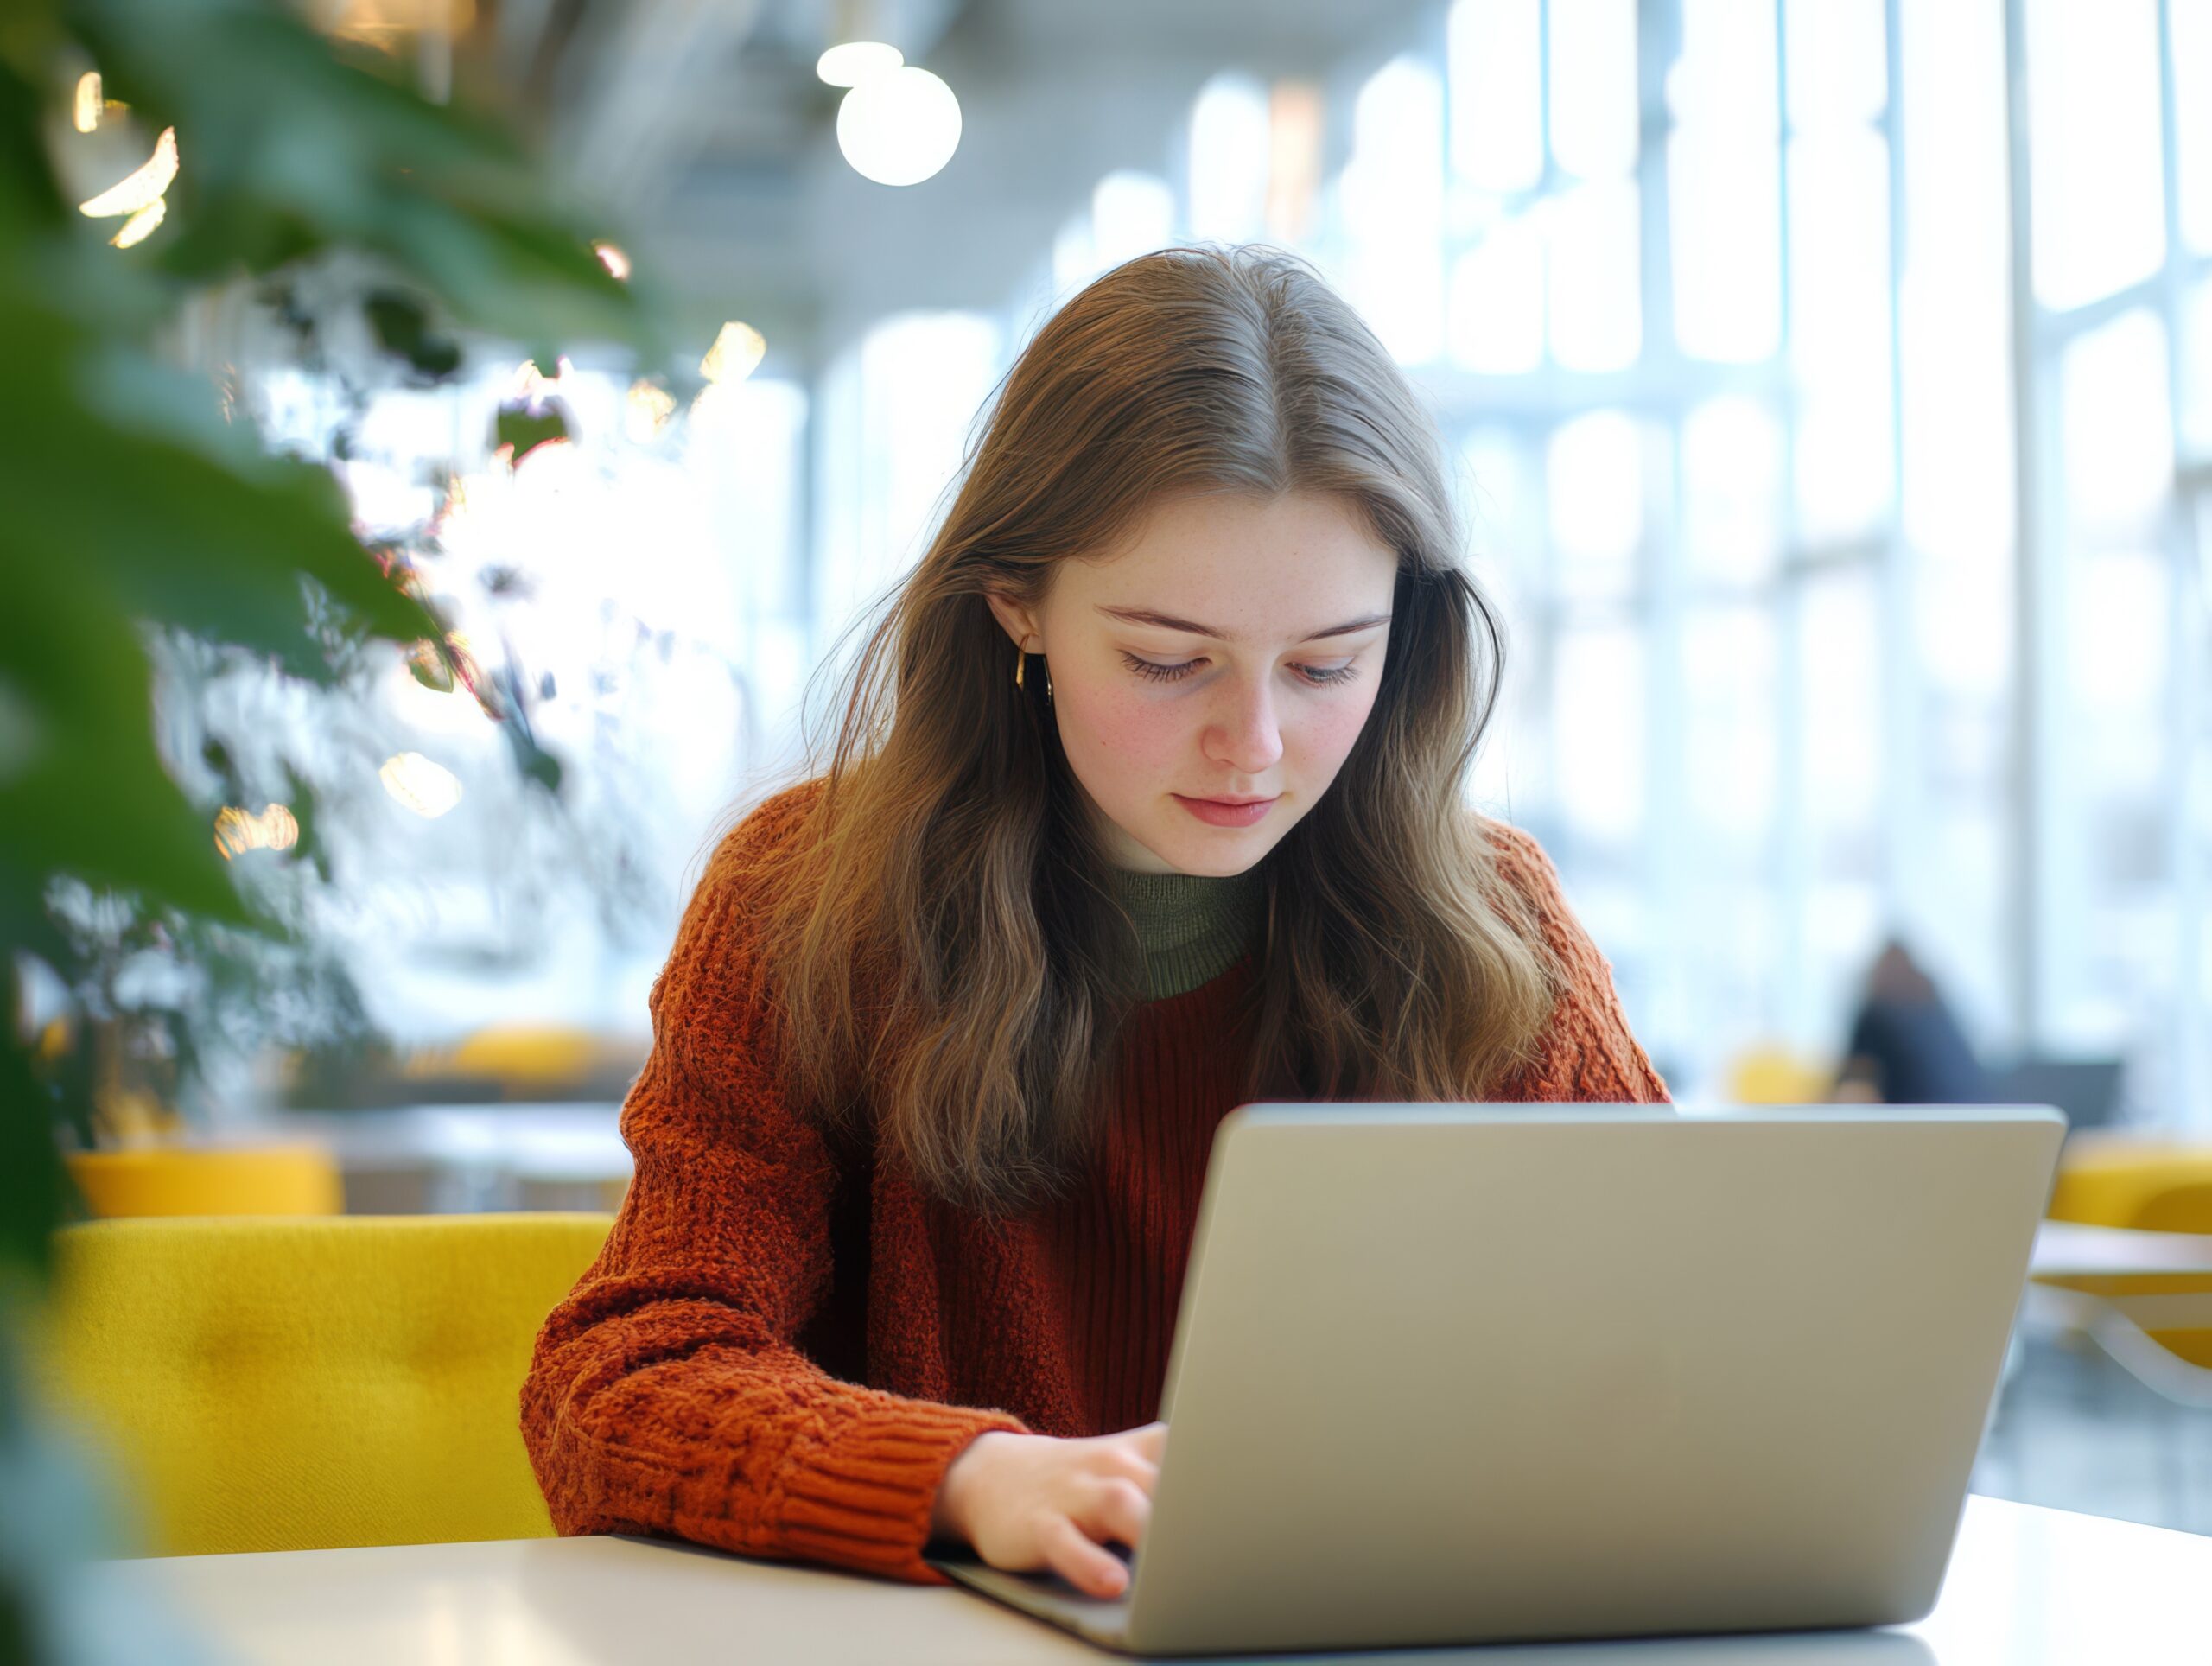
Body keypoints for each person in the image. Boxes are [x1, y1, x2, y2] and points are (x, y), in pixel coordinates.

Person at [520, 245, 1669, 1601]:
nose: (1254, 744)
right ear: (1018, 604)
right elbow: (624, 1378)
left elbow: (1664, 1347)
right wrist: (969, 1478)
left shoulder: (1492, 923)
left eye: (1327, 663)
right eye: (1167, 660)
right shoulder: (804, 900)